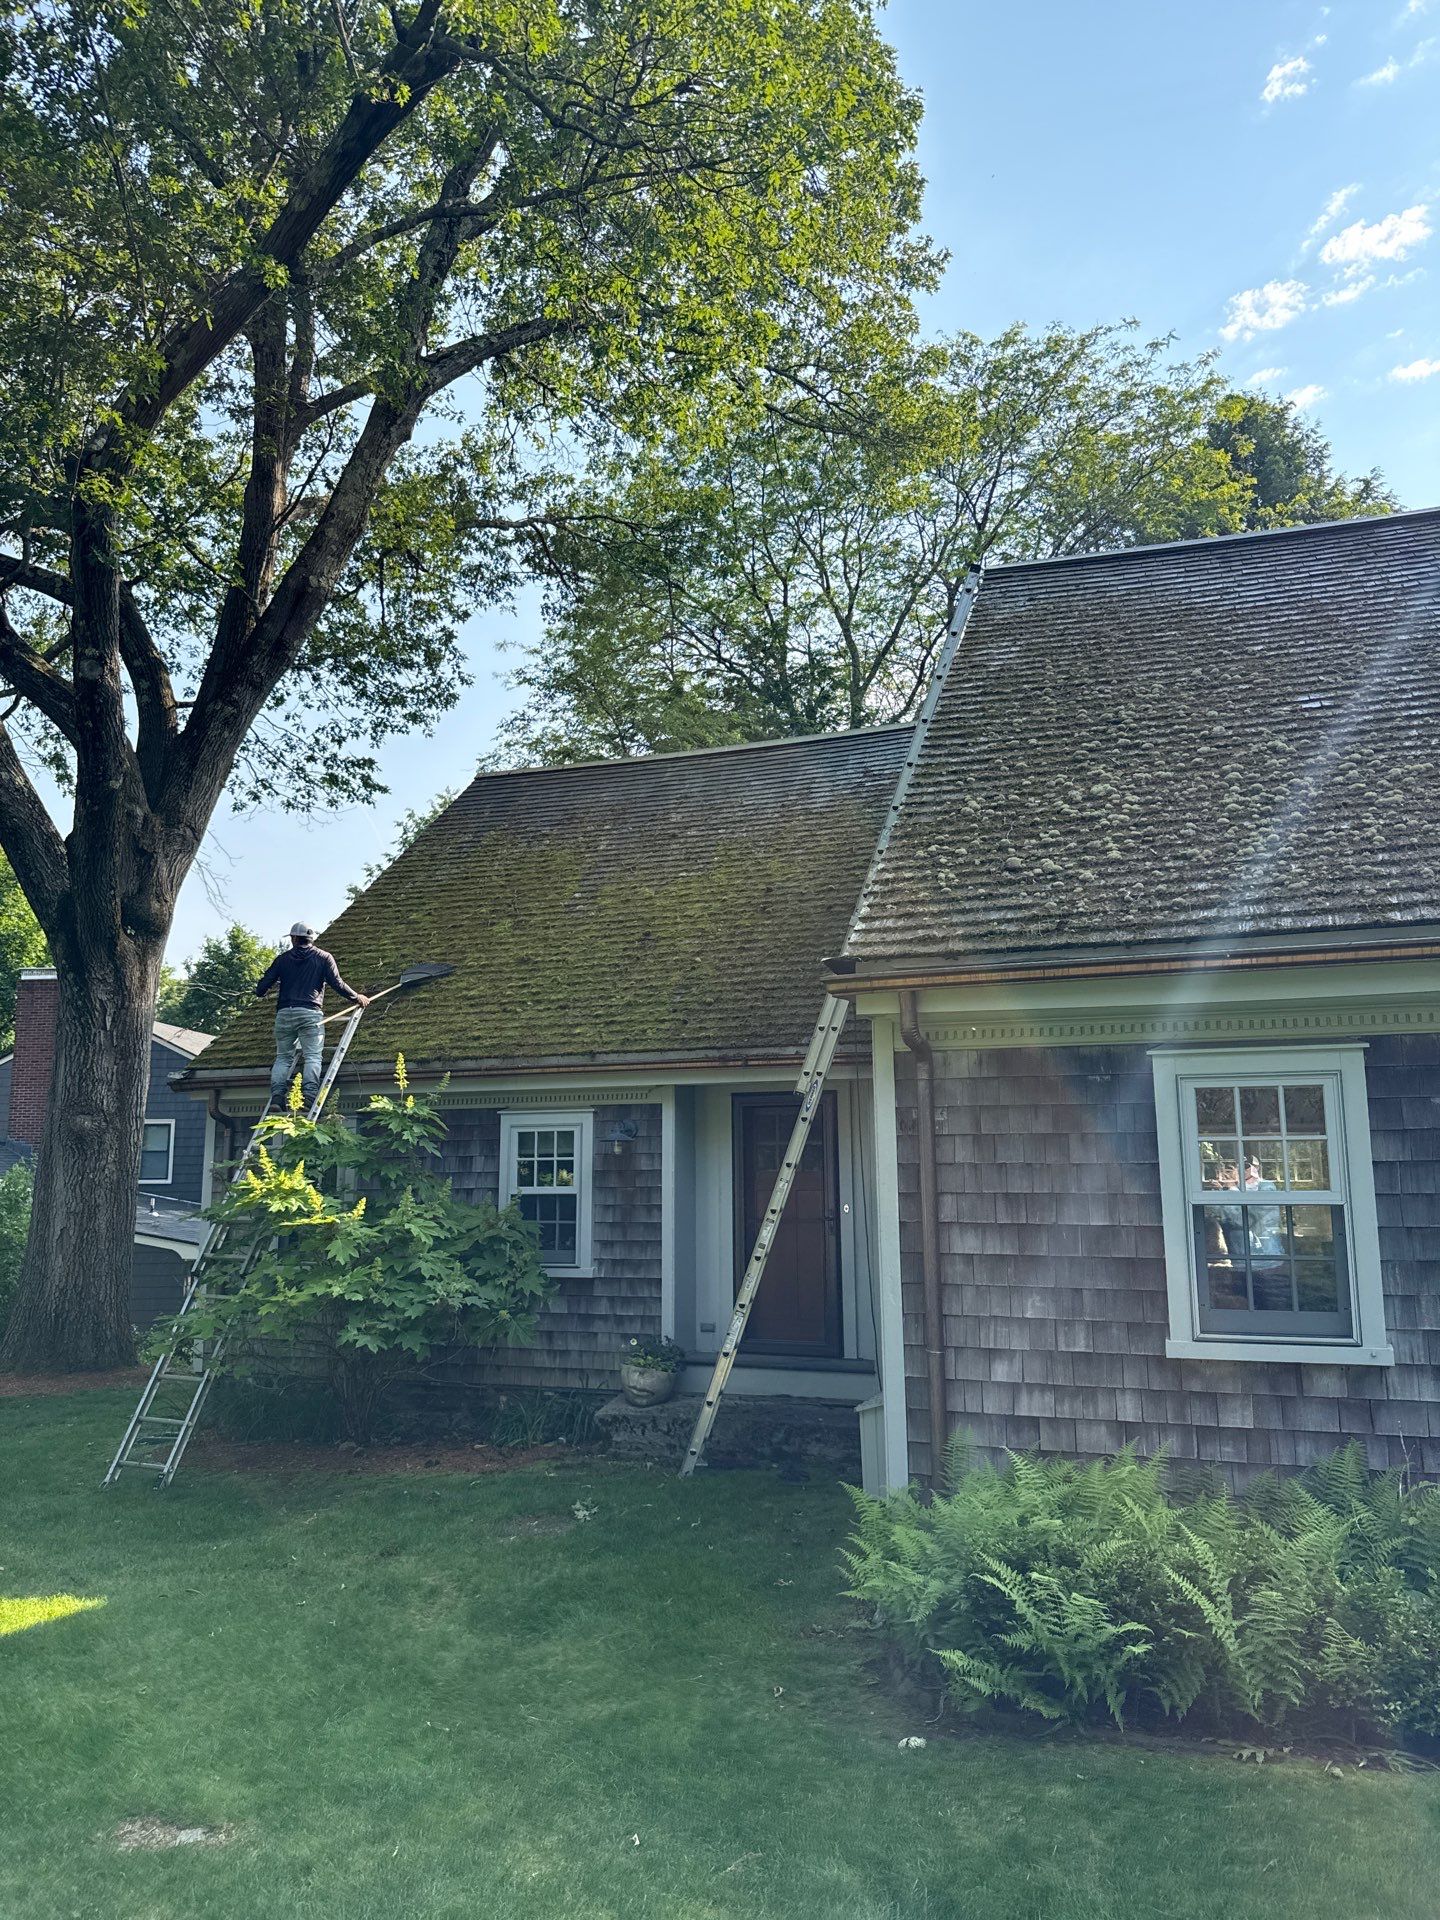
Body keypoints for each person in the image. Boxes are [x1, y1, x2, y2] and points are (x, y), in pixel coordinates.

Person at [255, 922, 369, 1108]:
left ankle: (277, 1097)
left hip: (284, 1013)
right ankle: (308, 1096)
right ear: (311, 939)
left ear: (293, 938)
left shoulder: (282, 959)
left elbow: (261, 989)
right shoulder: (324, 957)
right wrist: (357, 997)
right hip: (310, 1013)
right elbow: (337, 983)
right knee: (313, 1056)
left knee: (283, 1057)